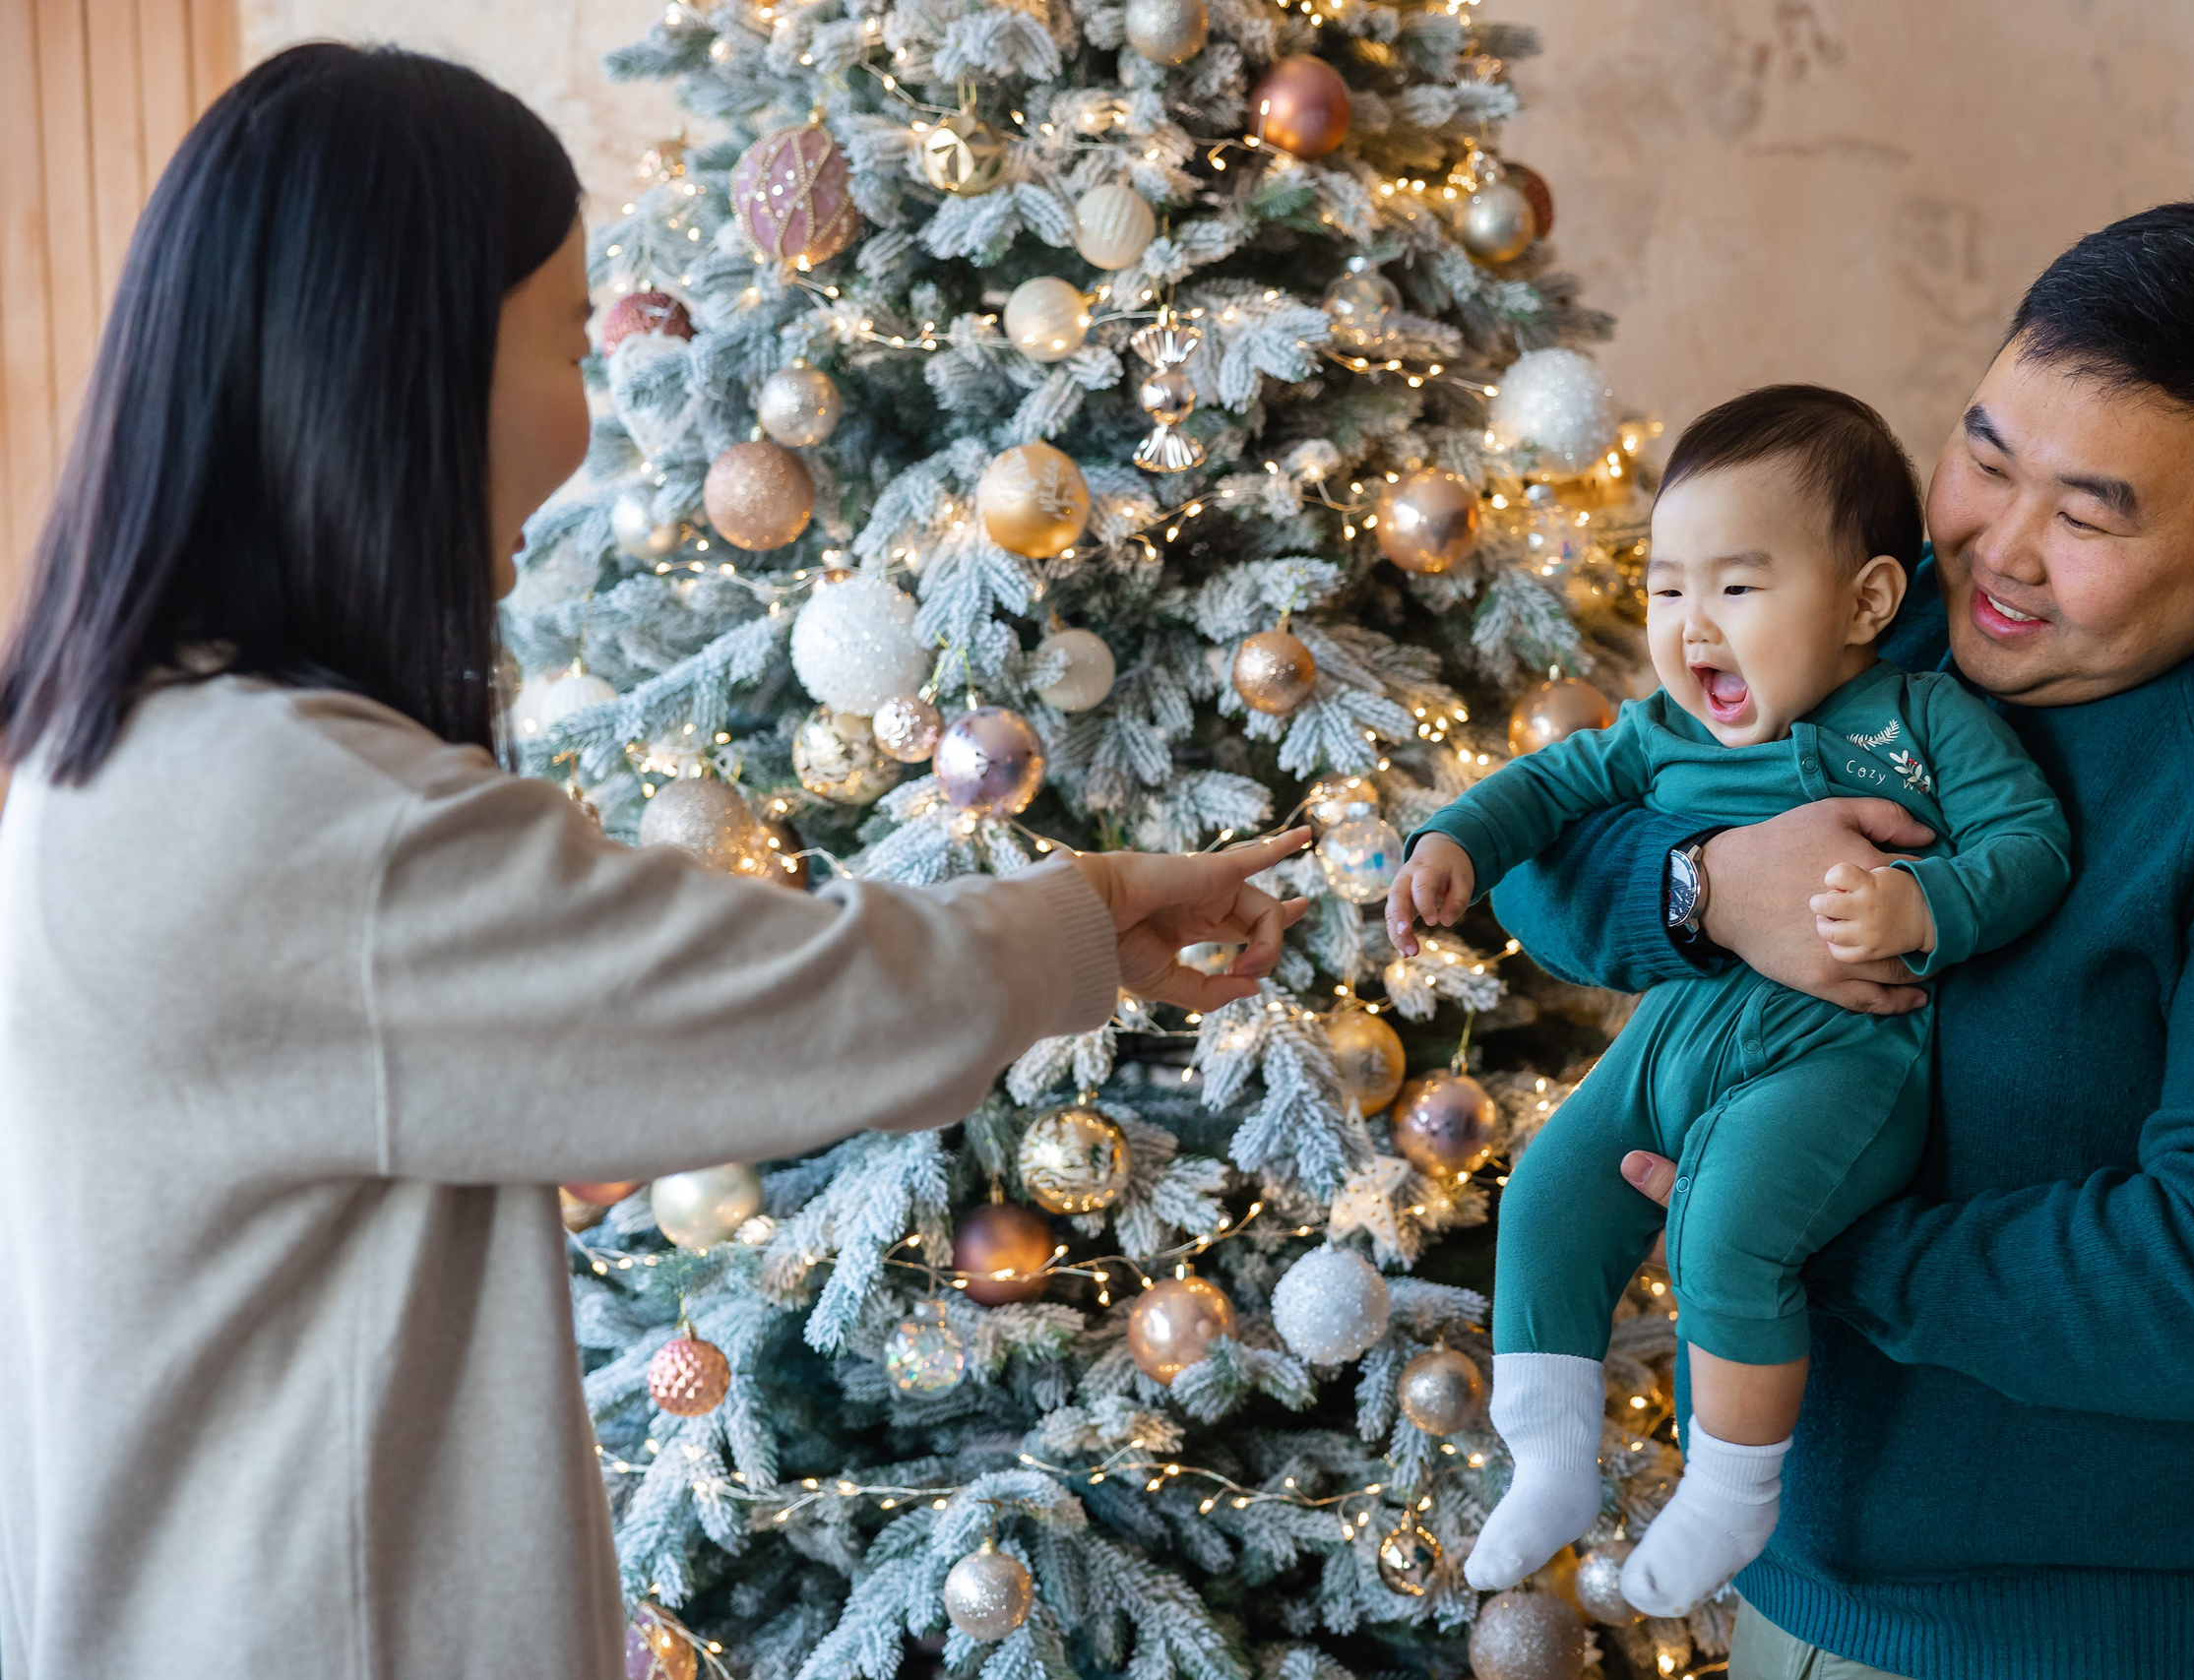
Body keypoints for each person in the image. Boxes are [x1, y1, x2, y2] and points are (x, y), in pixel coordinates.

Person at [0, 46, 1311, 1680]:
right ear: (408, 370)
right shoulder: (302, 824)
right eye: (561, 340)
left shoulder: (103, 752)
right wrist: (1089, 909)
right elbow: (768, 1000)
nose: (586, 415)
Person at [1490, 200, 2194, 1679]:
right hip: (1792, 1600)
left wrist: (1780, 1235)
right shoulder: (1887, 638)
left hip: (2116, 1634)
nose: (1999, 551)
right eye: (1984, 457)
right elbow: (1544, 853)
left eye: (2089, 514)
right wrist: (1714, 885)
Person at [1385, 387, 2068, 1613]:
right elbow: (1545, 792)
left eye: (1737, 590)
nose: (1692, 627)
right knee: (1545, 1190)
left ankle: (1731, 1483)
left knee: (1727, 1222)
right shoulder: (1656, 735)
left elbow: (2030, 845)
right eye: (1665, 589)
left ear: (1866, 601)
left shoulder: (1922, 719)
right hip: (1678, 1035)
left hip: (1841, 1055)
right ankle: (1547, 1455)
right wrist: (1455, 844)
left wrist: (1926, 910)